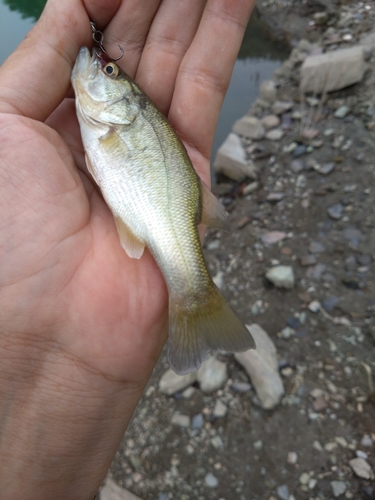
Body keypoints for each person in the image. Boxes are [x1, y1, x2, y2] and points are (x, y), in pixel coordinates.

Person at [0, 0, 255, 498]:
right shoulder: (108, 117)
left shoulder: (116, 119)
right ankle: (198, 305)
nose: (98, 66)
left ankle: (196, 299)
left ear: (123, 98)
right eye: (107, 66)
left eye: (108, 69)